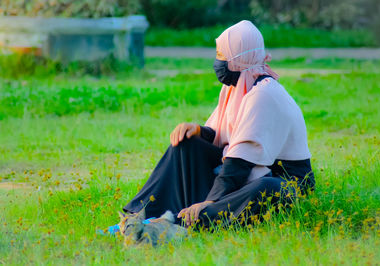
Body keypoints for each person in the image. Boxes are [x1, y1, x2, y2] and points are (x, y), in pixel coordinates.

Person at [122, 20, 315, 228]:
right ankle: (139, 215)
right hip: (247, 173)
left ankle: (179, 222)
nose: (217, 61)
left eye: (222, 55)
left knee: (267, 188)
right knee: (186, 143)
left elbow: (241, 160)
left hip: (280, 181)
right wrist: (199, 131)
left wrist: (210, 201)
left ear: (239, 58)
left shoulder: (264, 94)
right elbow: (224, 136)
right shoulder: (238, 85)